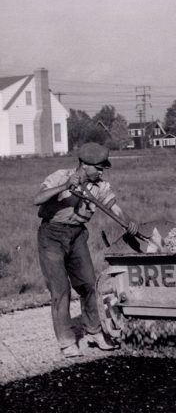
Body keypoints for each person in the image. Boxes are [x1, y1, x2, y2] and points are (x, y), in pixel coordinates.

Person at [34, 142, 139, 358]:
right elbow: (37, 199)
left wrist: (129, 223)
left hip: (77, 235)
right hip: (51, 235)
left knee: (88, 284)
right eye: (98, 168)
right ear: (84, 165)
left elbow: (115, 209)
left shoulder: (100, 187)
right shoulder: (60, 176)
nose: (101, 172)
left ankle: (94, 332)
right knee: (61, 289)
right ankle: (66, 341)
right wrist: (64, 187)